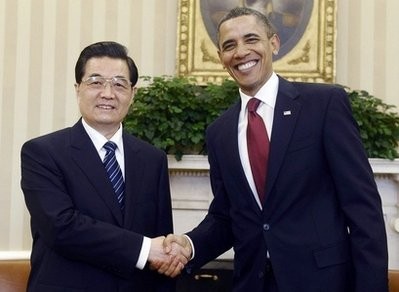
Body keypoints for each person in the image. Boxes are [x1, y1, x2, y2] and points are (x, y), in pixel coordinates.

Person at [163, 7, 389, 291]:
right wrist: (189, 244)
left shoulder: (323, 105)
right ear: (221, 58)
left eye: (251, 39)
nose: (241, 51)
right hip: (253, 283)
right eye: (229, 45)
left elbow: (362, 208)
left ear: (274, 43)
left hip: (323, 282)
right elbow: (227, 217)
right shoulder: (219, 132)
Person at [20, 41, 188, 292]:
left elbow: (159, 244)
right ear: (78, 89)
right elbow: (62, 228)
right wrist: (144, 249)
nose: (108, 93)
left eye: (119, 84)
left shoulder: (152, 158)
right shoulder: (43, 153)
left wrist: (169, 254)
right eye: (96, 82)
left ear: (133, 94)